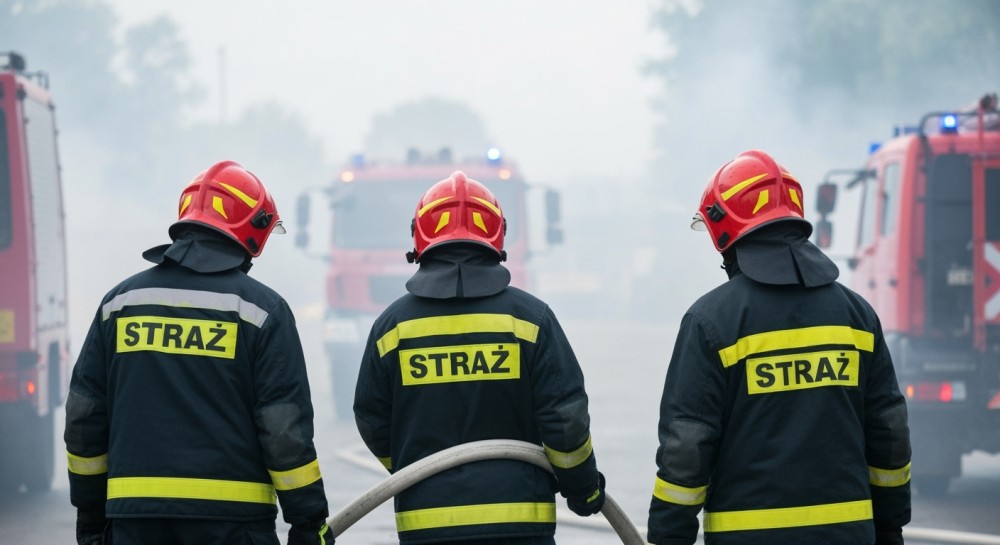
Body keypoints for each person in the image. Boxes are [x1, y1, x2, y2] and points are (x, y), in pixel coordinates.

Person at [646, 150, 911, 545]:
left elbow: (687, 447)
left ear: (723, 229)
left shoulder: (711, 321)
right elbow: (889, 434)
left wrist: (668, 536)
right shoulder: (857, 315)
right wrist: (890, 527)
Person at [64, 161, 334, 545]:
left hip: (132, 523)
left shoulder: (120, 305)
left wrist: (91, 512)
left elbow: (83, 416)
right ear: (254, 231)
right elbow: (283, 430)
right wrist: (309, 522)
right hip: (232, 525)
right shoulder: (261, 311)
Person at [354, 171, 605, 544]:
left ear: (420, 236)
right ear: (497, 235)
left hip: (426, 525)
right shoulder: (530, 320)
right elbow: (565, 420)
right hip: (520, 525)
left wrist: (416, 469)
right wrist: (582, 489)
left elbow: (373, 419)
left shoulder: (392, 328)